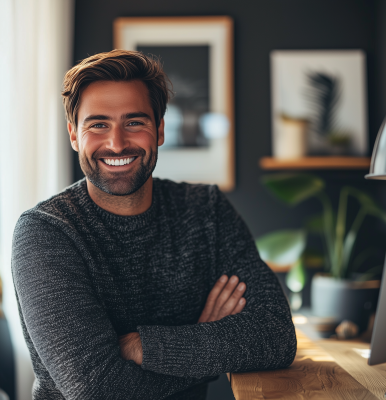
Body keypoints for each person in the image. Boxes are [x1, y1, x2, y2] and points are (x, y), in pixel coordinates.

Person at [12, 50, 296, 400]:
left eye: (134, 122)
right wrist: (203, 336)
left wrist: (142, 345)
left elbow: (276, 335)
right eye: (98, 124)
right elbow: (97, 391)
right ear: (74, 135)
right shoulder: (46, 232)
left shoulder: (206, 209)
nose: (116, 142)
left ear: (159, 129)